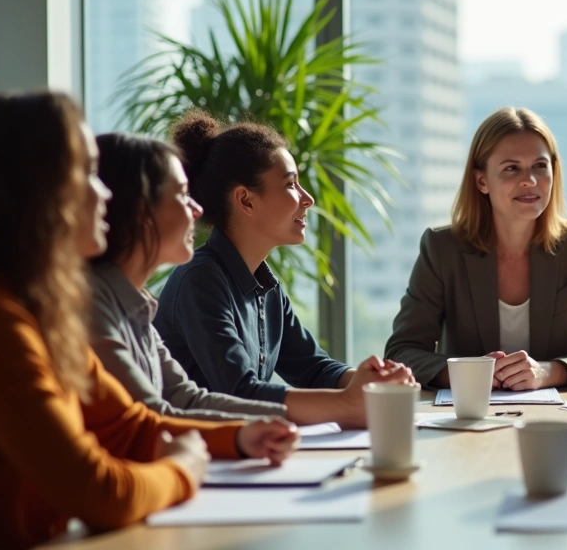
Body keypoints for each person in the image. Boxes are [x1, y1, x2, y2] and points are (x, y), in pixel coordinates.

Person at [0, 93, 297, 548]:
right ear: (34, 191)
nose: (105, 194)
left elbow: (129, 424)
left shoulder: (40, 316)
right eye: (85, 174)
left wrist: (239, 437)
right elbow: (95, 489)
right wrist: (181, 470)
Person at [154, 112, 413, 429]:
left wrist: (370, 380)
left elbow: (313, 368)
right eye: (291, 184)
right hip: (205, 457)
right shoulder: (200, 281)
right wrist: (348, 403)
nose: (308, 198)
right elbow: (240, 394)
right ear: (246, 201)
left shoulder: (266, 286)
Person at [385, 107, 567, 389]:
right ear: (481, 180)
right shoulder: (441, 248)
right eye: (512, 168)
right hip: (467, 416)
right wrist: (472, 375)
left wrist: (545, 372)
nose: (529, 180)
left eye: (540, 166)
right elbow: (402, 352)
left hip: (553, 417)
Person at [89, 132, 291, 421]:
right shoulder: (93, 305)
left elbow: (186, 398)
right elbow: (152, 418)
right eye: (183, 195)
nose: (197, 210)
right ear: (142, 211)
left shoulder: (138, 308)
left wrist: (274, 421)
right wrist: (247, 433)